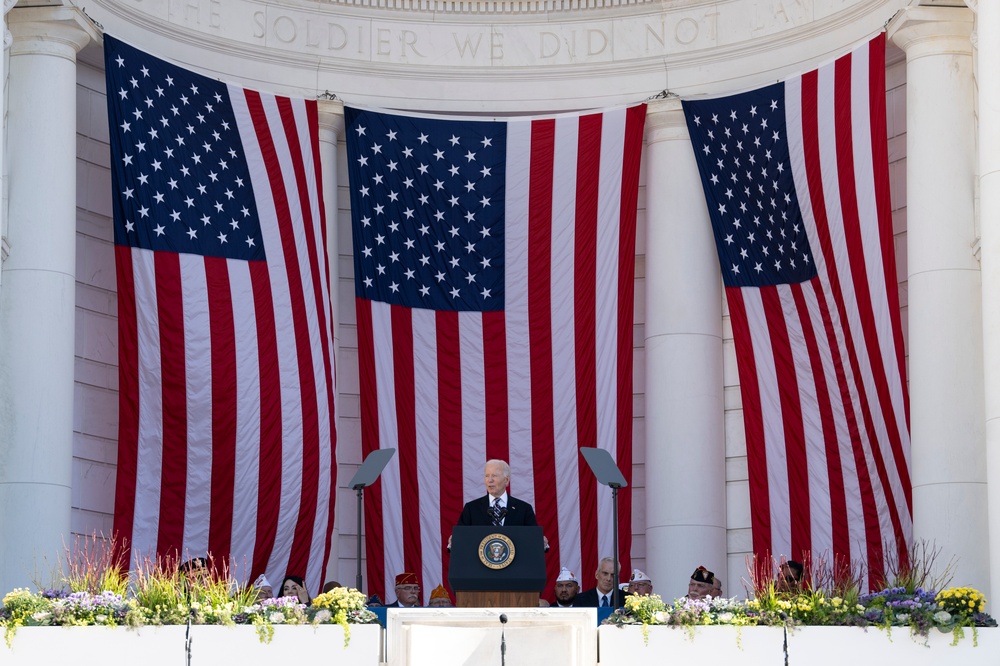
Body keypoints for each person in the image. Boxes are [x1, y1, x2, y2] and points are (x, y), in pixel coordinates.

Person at [457, 460, 538, 527]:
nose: (490, 480)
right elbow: (461, 537)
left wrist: (541, 541)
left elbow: (533, 538)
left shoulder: (524, 509)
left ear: (506, 480)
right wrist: (454, 540)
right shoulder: (471, 509)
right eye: (487, 476)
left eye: (494, 476)